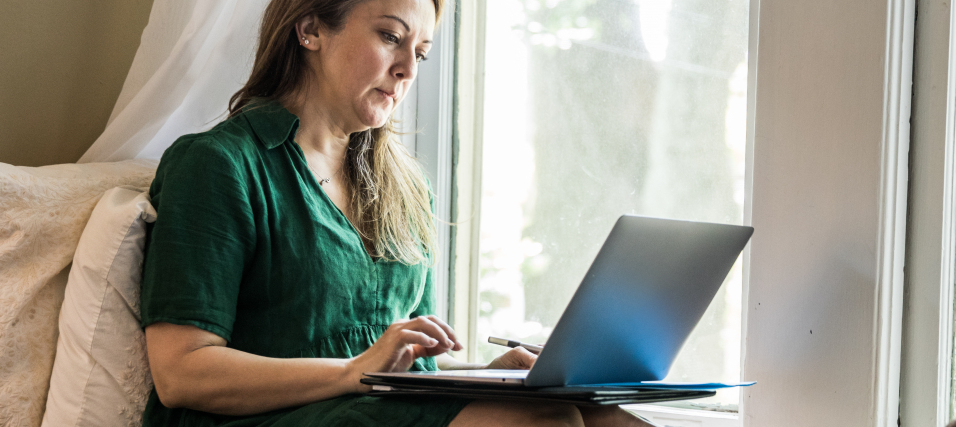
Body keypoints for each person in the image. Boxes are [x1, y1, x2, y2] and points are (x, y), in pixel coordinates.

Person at [139, 0, 657, 425]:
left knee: (604, 417)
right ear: (310, 29)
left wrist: (489, 377)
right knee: (544, 423)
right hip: (264, 419)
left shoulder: (405, 186)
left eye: (421, 53)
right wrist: (353, 371)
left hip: (372, 407)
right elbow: (182, 373)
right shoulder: (217, 165)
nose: (408, 68)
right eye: (390, 37)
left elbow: (409, 355)